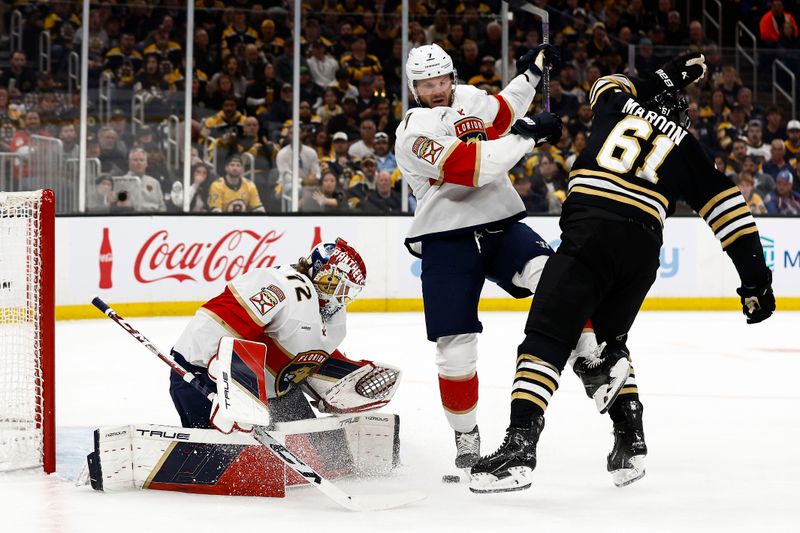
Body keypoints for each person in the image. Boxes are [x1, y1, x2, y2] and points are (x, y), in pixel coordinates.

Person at [470, 53, 775, 494]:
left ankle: (520, 449)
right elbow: (731, 214)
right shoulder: (688, 146)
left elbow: (604, 83)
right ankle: (630, 442)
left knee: (547, 336)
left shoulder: (616, 104)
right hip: (642, 252)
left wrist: (667, 74)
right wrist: (756, 282)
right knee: (606, 347)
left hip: (591, 233)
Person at [394, 43, 597, 472]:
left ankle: (590, 358)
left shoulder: (467, 97)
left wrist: (532, 75)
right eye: (425, 84)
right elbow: (474, 166)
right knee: (455, 349)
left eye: (440, 81)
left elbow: (503, 112)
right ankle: (465, 432)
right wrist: (529, 136)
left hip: (499, 221)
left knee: (554, 275)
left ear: (451, 77)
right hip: (445, 235)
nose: (435, 90)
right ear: (414, 89)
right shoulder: (413, 132)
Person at [169, 239, 398, 429]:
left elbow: (304, 360)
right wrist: (231, 389)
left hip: (272, 395)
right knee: (231, 461)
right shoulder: (282, 285)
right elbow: (219, 323)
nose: (339, 297)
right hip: (201, 376)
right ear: (317, 270)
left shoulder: (332, 319)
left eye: (347, 291)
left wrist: (339, 378)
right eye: (334, 284)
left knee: (320, 457)